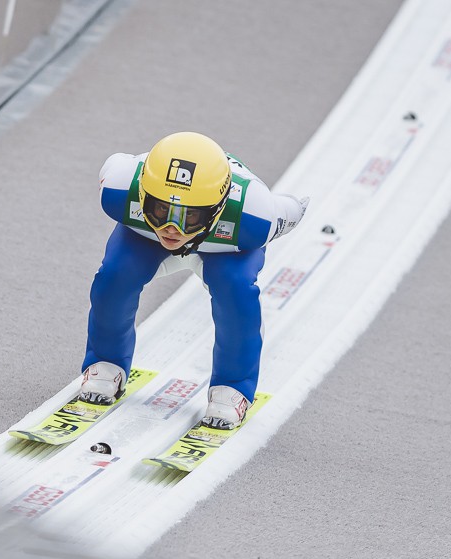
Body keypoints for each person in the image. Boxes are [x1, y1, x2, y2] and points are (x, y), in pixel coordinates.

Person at [78, 132, 309, 429]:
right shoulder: (118, 185)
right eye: (161, 210)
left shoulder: (257, 216)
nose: (172, 229)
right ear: (142, 195)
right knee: (115, 274)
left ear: (218, 209)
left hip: (225, 250)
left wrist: (300, 204)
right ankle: (106, 361)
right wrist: (186, 222)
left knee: (236, 290)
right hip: (149, 240)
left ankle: (234, 386)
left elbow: (291, 208)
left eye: (189, 217)